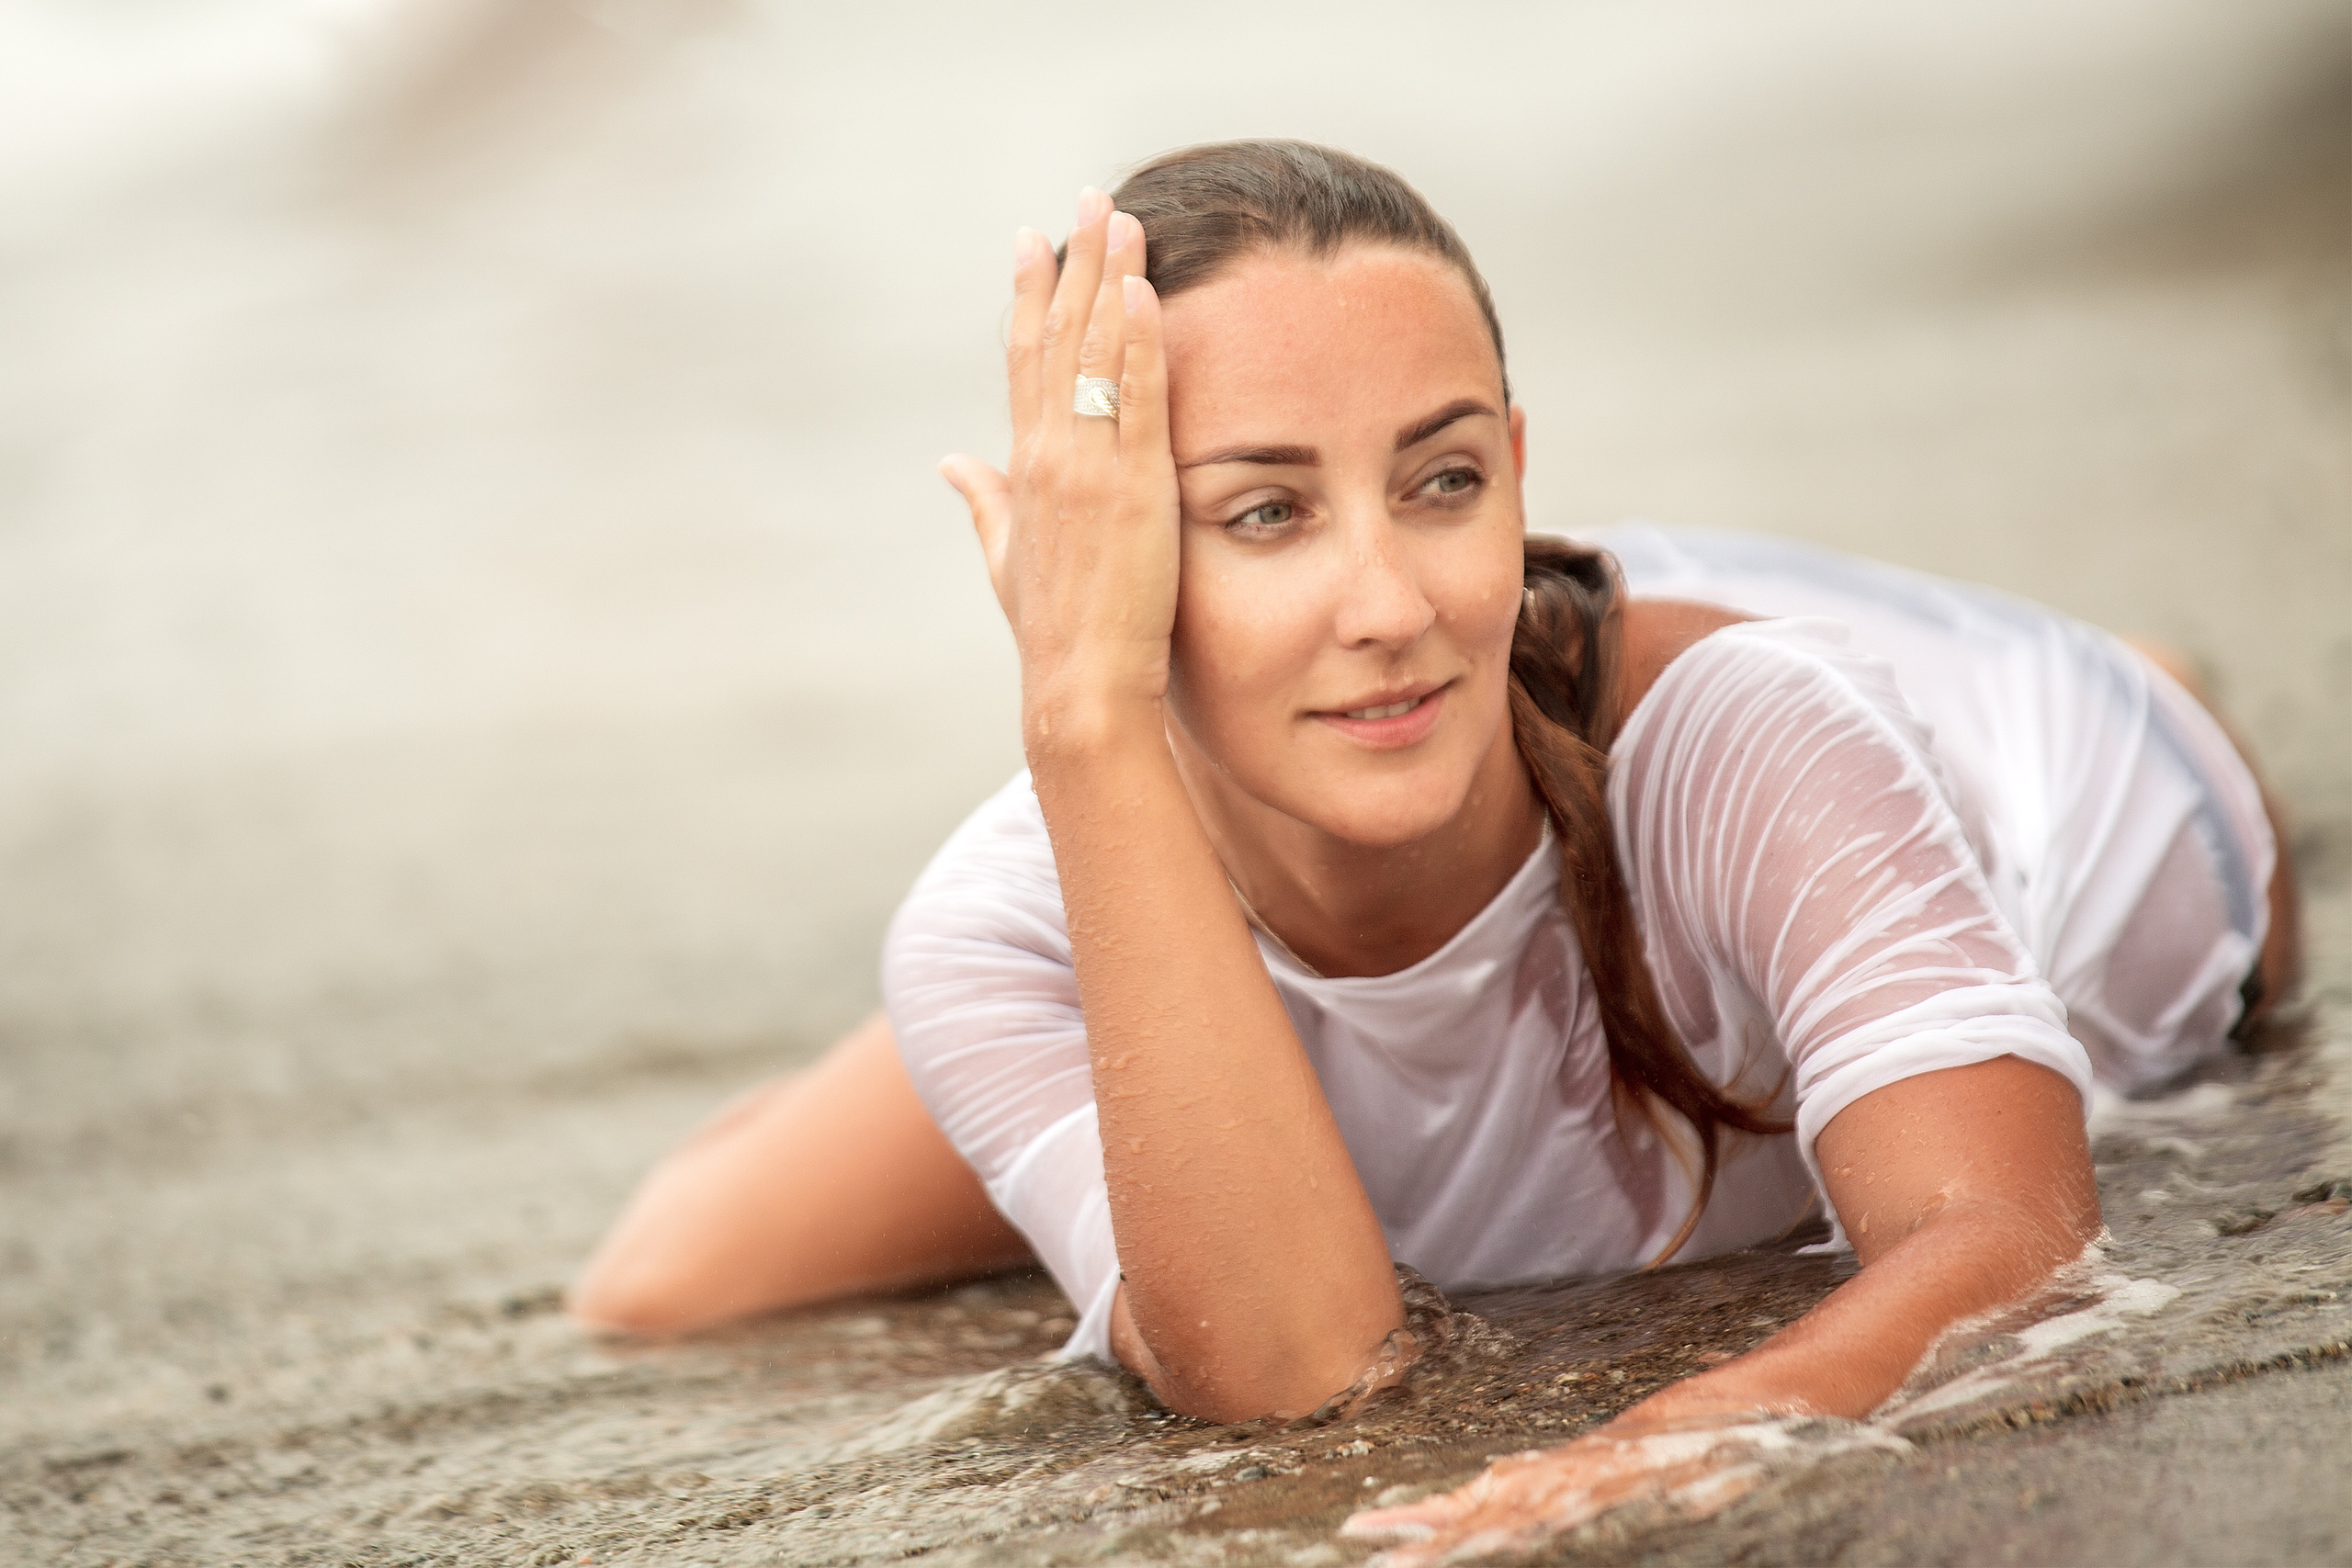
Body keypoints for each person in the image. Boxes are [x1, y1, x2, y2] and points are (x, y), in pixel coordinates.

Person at [569, 141, 2301, 1553]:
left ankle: (2140, 664)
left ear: (1519, 472)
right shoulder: (999, 912)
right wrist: (1083, 716)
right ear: (1111, 566)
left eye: (1446, 480)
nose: (1388, 601)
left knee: (2085, 714)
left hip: (2068, 793)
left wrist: (1662, 1447)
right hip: (1341, 760)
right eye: (1264, 512)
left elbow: (2009, 1243)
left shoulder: (1747, 744)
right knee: (674, 1277)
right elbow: (1298, 1372)